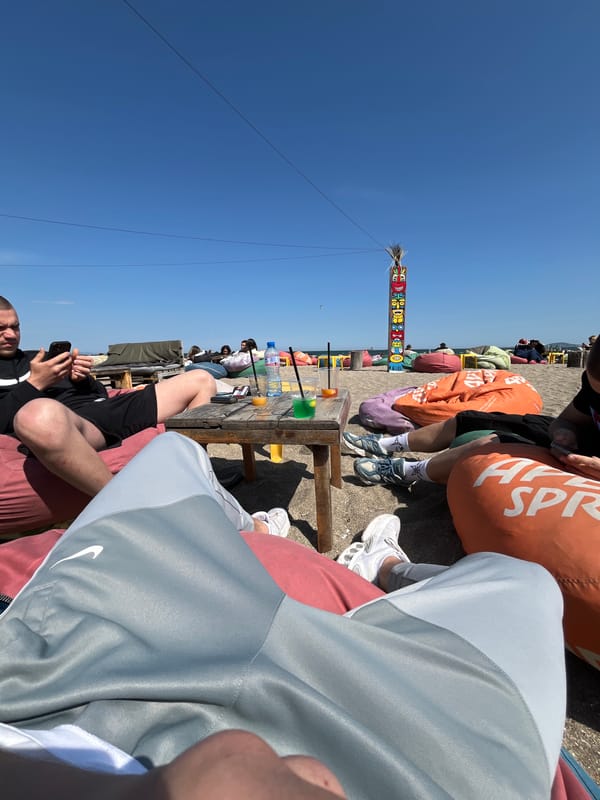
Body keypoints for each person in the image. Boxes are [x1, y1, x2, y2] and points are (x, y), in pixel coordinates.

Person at [0, 433, 565, 799]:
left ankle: (258, 529)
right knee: (525, 583)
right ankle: (383, 567)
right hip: (438, 767)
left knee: (173, 449)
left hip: (60, 676)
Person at [0, 295, 219, 499]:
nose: (11, 335)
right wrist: (35, 384)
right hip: (71, 426)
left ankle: (196, 478)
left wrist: (81, 380)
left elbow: (100, 393)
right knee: (39, 415)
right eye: (1, 328)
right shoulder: (37, 375)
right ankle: (120, 503)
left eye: (15, 327)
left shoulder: (40, 358)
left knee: (200, 379)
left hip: (107, 409)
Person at [343, 334, 600, 486]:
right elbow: (566, 419)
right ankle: (386, 445)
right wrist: (563, 431)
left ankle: (409, 472)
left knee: (492, 444)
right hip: (582, 442)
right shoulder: (593, 382)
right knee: (469, 418)